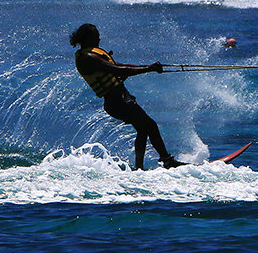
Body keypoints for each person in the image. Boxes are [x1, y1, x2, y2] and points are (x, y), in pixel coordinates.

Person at [70, 23, 185, 170]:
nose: (99, 39)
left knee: (143, 129)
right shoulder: (88, 57)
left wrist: (149, 67)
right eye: (97, 36)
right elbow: (117, 69)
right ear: (89, 38)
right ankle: (167, 161)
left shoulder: (92, 55)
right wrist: (149, 69)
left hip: (121, 100)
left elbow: (122, 65)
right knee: (150, 125)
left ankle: (139, 168)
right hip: (117, 102)